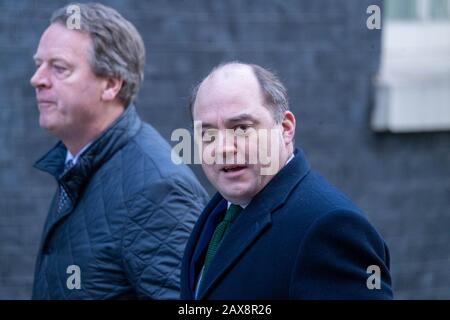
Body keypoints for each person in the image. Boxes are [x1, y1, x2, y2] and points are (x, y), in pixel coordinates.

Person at [30, 3, 208, 299]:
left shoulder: (157, 190)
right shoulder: (79, 163)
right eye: (39, 64)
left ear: (111, 84)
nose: (37, 79)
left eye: (59, 68)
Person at [180, 62, 393, 299]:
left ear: (286, 128)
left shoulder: (330, 228)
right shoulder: (220, 212)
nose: (223, 148)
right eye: (208, 134)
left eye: (241, 128)